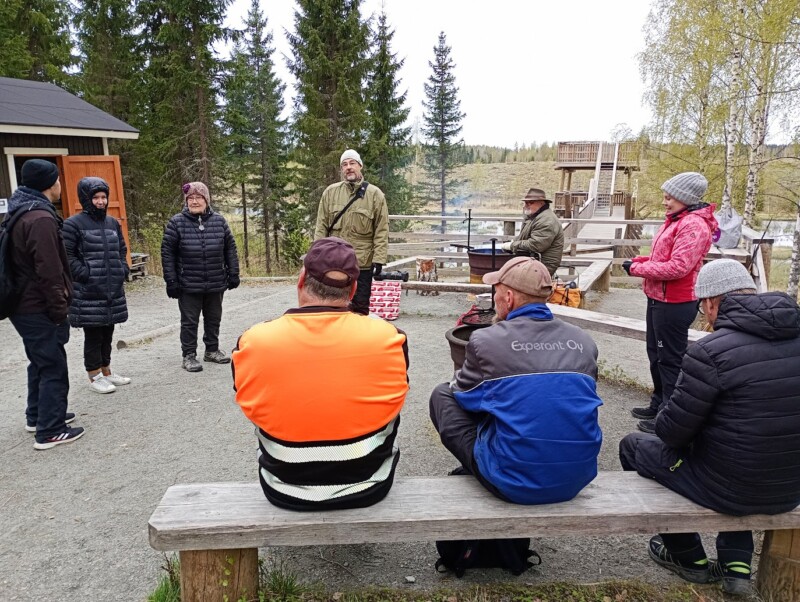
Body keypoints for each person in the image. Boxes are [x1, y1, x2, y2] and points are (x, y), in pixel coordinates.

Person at [619, 259, 800, 596]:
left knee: (634, 447)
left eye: (703, 307)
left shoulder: (711, 352)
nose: (704, 316)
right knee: (740, 452)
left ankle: (689, 558)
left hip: (732, 487)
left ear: (712, 302)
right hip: (790, 487)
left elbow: (672, 433)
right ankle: (736, 564)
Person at [232, 237, 409, 510]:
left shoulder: (253, 341)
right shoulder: (390, 337)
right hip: (369, 485)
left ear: (301, 280)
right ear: (353, 290)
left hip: (284, 487)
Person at [429, 256, 603, 504]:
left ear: (508, 298)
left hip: (514, 482)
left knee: (443, 395)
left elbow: (464, 397)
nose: (495, 298)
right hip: (578, 475)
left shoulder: (486, 340)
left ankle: (479, 467)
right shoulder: (583, 340)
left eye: (496, 292)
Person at [622, 172, 717, 434]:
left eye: (669, 198)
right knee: (656, 353)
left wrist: (636, 270)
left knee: (670, 358)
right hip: (658, 298)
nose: (664, 202)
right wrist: (640, 261)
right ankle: (659, 402)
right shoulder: (676, 219)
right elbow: (662, 257)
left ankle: (670, 414)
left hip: (675, 302)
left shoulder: (693, 225)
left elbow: (678, 267)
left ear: (684, 198)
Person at [6, 159, 83, 449]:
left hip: (23, 304)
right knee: (52, 364)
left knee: (39, 360)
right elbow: (50, 271)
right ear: (50, 183)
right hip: (36, 305)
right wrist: (59, 309)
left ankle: (38, 414)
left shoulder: (20, 210)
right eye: (58, 179)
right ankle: (50, 430)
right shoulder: (39, 219)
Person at [161, 181, 239, 372]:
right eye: (191, 198)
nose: (195, 201)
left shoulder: (219, 221)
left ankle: (211, 350)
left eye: (199, 197)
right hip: (188, 283)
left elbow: (230, 249)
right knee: (189, 321)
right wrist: (171, 280)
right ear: (186, 201)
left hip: (215, 280)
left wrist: (233, 273)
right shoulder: (176, 223)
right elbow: (167, 253)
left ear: (206, 200)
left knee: (214, 318)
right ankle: (188, 355)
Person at [63, 177, 131, 394]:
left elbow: (121, 249)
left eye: (103, 197)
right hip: (88, 290)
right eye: (96, 197)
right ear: (86, 199)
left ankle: (107, 371)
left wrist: (122, 269)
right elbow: (67, 256)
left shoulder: (112, 223)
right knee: (93, 335)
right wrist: (86, 275)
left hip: (112, 288)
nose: (101, 201)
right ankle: (94, 376)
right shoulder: (73, 225)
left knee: (108, 331)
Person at [313, 149, 388, 315]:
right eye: (344, 164)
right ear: (341, 170)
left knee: (360, 308)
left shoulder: (375, 195)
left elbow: (381, 230)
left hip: (362, 263)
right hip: (334, 262)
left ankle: (359, 340)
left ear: (360, 166)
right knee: (333, 306)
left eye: (352, 163)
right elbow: (321, 226)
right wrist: (316, 254)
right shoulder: (330, 192)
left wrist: (379, 258)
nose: (348, 167)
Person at [501, 188, 564, 277]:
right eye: (526, 203)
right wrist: (513, 242)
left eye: (531, 202)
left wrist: (512, 245)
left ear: (541, 203)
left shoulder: (546, 220)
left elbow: (536, 245)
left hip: (542, 267)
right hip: (533, 262)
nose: (526, 205)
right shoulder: (535, 217)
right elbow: (524, 237)